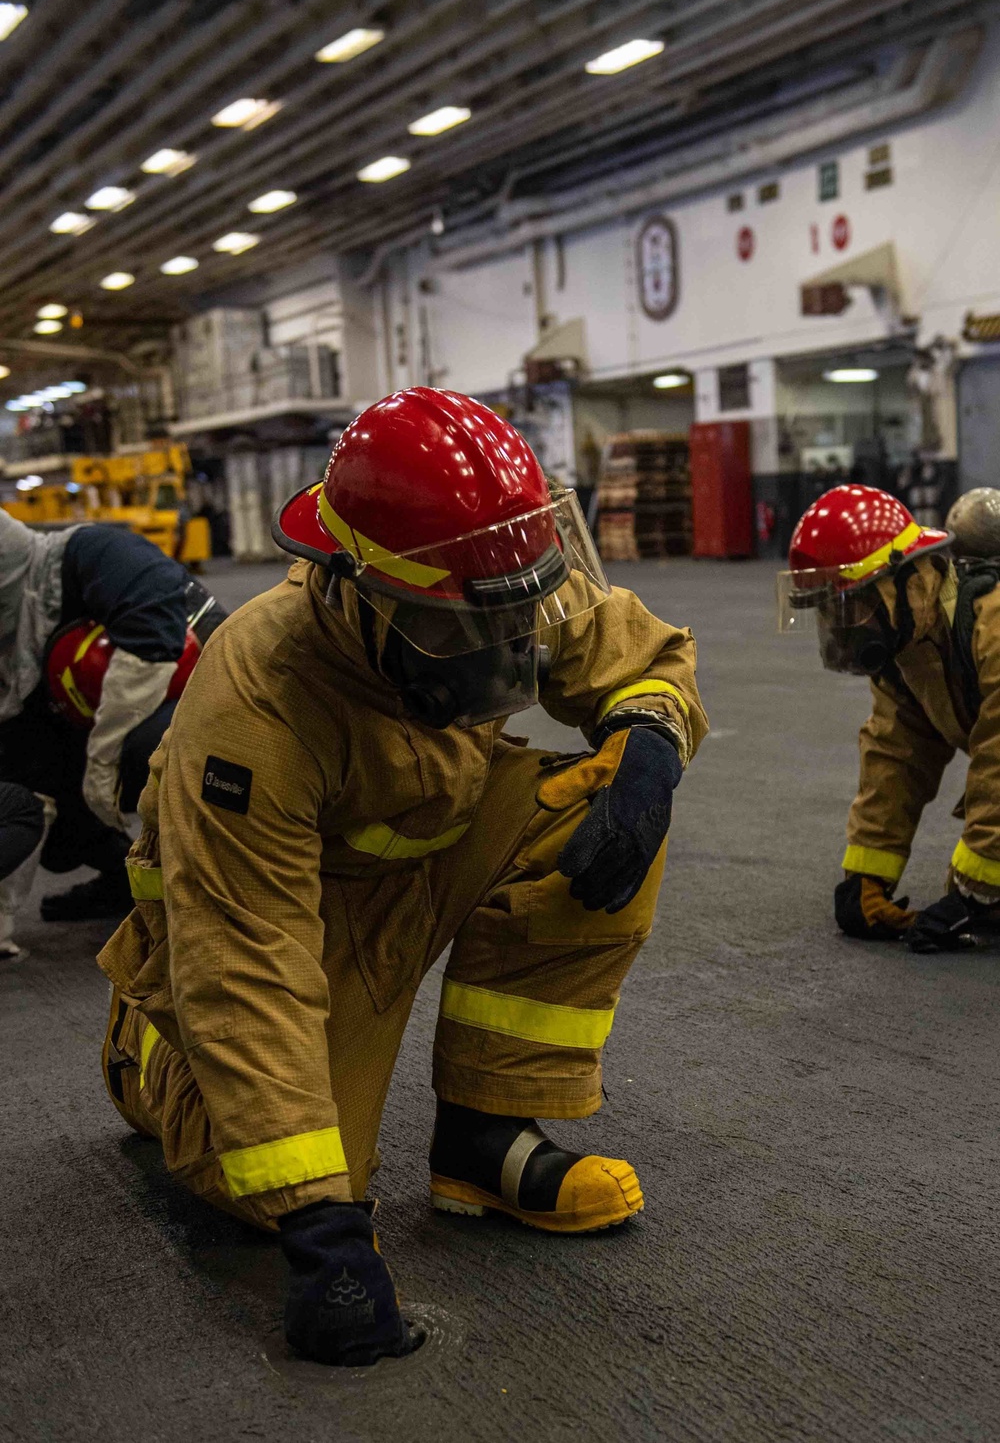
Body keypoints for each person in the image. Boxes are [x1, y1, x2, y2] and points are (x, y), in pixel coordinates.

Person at [97, 387, 708, 1368]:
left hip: (422, 850)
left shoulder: (493, 566)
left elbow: (622, 649)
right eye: (466, 630)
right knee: (273, 1178)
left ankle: (484, 1137)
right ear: (359, 587)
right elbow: (247, 957)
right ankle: (149, 1055)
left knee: (603, 799)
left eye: (515, 619)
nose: (510, 651)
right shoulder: (262, 698)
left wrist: (647, 741)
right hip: (287, 921)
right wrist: (321, 1232)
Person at [778, 482, 1000, 954]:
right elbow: (895, 753)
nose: (843, 627)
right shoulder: (913, 642)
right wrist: (868, 876)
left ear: (909, 578)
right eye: (832, 611)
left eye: (855, 605)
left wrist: (977, 888)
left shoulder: (992, 622)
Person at [0, 512, 221, 950]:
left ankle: (214, 889)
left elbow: (153, 640)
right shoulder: (15, 648)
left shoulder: (95, 551)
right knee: (50, 821)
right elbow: (29, 776)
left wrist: (102, 762)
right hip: (113, 722)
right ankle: (129, 882)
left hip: (212, 701)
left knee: (147, 750)